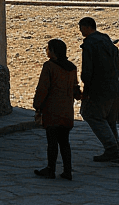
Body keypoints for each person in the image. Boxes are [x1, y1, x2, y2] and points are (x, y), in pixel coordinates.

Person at [32, 38, 79, 180]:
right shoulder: (71, 67)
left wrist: (37, 105)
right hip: (67, 110)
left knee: (52, 142)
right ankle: (67, 170)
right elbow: (75, 88)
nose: (47, 51)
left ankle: (50, 169)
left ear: (53, 51)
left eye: (48, 49)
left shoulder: (49, 66)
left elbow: (43, 88)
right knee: (65, 142)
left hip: (52, 109)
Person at [78, 16, 119, 163]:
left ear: (87, 27)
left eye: (81, 27)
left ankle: (111, 148)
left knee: (91, 114)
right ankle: (115, 148)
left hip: (99, 88)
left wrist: (86, 90)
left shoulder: (90, 44)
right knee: (110, 119)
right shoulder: (107, 42)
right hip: (114, 86)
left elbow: (87, 71)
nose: (80, 30)